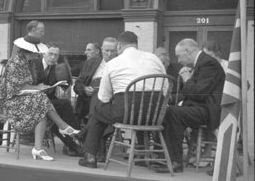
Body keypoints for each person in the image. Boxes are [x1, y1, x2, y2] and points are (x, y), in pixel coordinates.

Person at [78, 31, 166, 168]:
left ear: (119, 45)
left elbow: (103, 97)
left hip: (126, 113)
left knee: (97, 110)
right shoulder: (154, 58)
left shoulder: (114, 63)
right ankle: (143, 153)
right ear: (137, 45)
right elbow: (165, 87)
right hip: (154, 113)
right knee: (141, 109)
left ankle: (90, 156)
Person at [0, 20, 79, 161]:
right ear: (29, 51)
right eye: (36, 53)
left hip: (25, 99)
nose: (38, 55)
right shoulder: (16, 62)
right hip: (12, 101)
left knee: (41, 104)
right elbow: (17, 88)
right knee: (41, 99)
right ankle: (62, 127)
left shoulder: (27, 62)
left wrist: (41, 88)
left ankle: (38, 148)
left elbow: (28, 85)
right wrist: (38, 88)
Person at [154, 38, 225, 173]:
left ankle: (175, 162)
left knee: (172, 113)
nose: (179, 60)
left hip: (210, 111)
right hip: (202, 108)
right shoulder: (202, 63)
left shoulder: (208, 63)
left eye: (179, 56)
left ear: (188, 51)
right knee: (166, 112)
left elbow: (199, 94)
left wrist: (187, 79)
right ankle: (166, 158)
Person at [33, 42, 84, 157]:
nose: (53, 57)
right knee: (65, 105)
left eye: (56, 55)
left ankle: (73, 145)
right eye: (50, 54)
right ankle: (77, 137)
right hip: (33, 102)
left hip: (48, 101)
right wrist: (39, 87)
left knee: (61, 114)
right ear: (43, 54)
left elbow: (61, 86)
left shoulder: (55, 68)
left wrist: (65, 81)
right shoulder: (34, 65)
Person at [74, 38, 119, 160]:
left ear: (118, 50)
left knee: (100, 103)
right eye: (106, 51)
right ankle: (99, 149)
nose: (109, 54)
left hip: (114, 101)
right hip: (89, 100)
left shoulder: (121, 64)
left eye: (112, 51)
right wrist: (84, 89)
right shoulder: (91, 63)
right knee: (98, 101)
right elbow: (77, 85)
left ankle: (85, 135)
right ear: (101, 50)